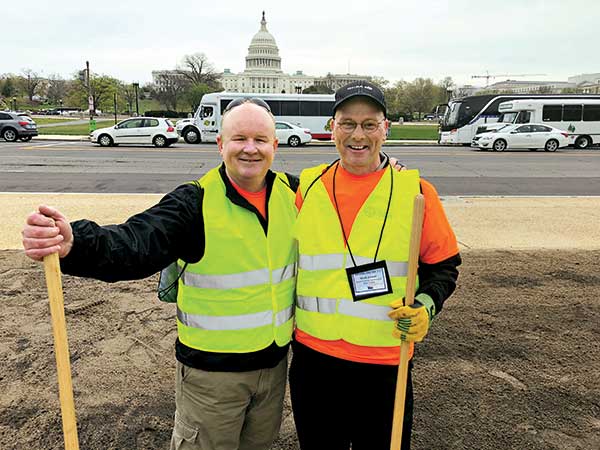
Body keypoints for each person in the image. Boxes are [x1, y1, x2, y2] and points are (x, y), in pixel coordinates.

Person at [22, 98, 299, 450]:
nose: (250, 149)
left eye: (260, 140)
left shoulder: (295, 195)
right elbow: (134, 243)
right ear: (220, 144)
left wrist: (390, 172)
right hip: (212, 378)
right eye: (239, 138)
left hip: (273, 370)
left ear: (274, 146)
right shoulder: (193, 203)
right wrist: (75, 243)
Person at [289, 81, 461, 450]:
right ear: (332, 127)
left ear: (386, 128)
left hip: (384, 364)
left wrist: (426, 308)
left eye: (370, 124)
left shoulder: (416, 192)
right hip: (314, 363)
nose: (358, 135)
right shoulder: (308, 187)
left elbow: (444, 267)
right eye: (347, 123)